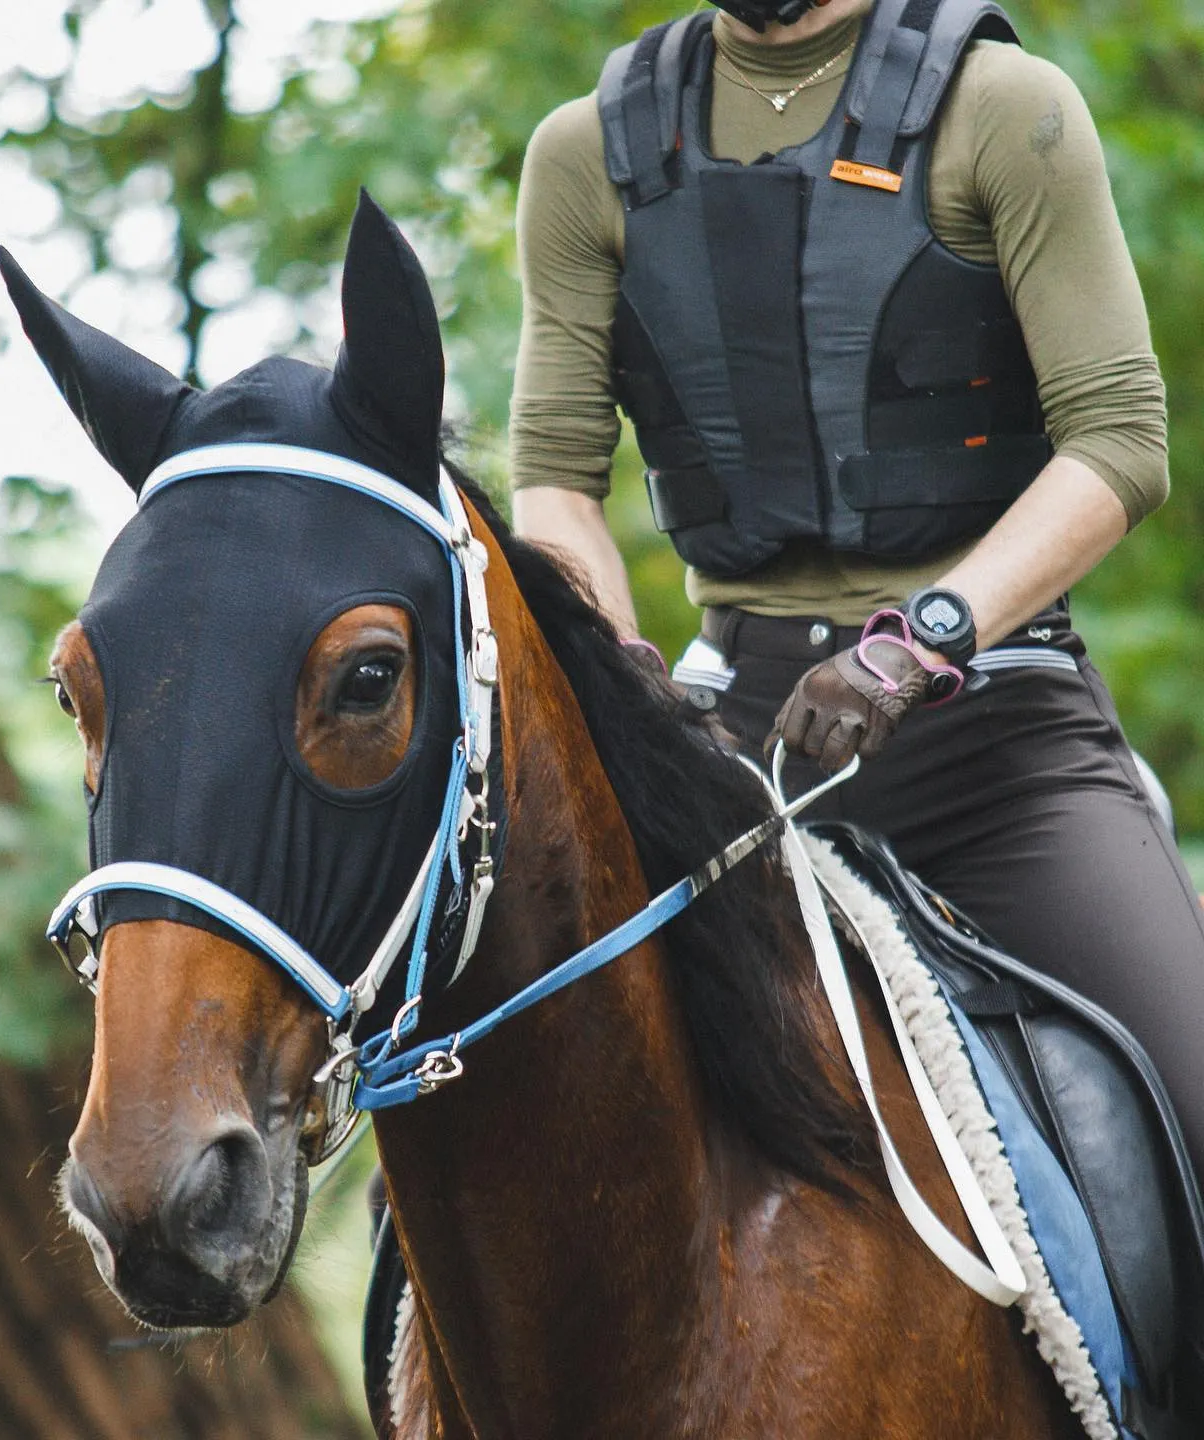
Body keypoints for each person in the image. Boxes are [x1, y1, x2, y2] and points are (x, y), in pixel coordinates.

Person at [508, 0, 1204, 1322]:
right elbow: (552, 475)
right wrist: (615, 668)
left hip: (999, 753)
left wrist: (919, 641)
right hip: (733, 763)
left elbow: (1119, 441)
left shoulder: (1010, 109)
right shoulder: (581, 155)